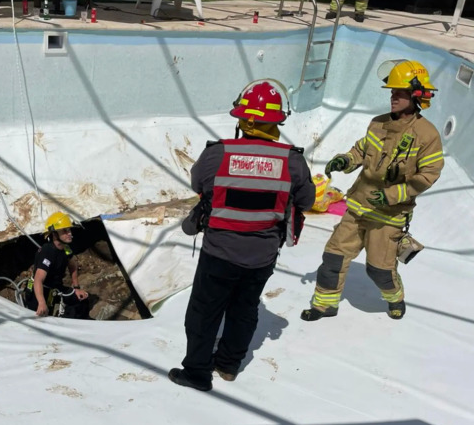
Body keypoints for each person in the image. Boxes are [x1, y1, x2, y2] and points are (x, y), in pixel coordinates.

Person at [168, 80, 316, 392]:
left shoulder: (217, 154)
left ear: (244, 120)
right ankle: (228, 365)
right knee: (245, 309)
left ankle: (197, 372)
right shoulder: (293, 161)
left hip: (218, 253)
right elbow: (306, 201)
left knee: (204, 312)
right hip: (262, 255)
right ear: (276, 122)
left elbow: (198, 185)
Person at [301, 59, 444, 322]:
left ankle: (395, 297)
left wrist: (390, 195)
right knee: (333, 258)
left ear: (416, 96)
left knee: (380, 270)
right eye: (392, 92)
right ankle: (324, 305)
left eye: (400, 93)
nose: (393, 97)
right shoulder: (378, 123)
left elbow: (428, 176)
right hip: (358, 206)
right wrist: (345, 160)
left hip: (389, 216)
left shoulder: (427, 135)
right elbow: (362, 149)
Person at [26, 212, 91, 319]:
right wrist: (41, 303)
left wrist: (76, 288)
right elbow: (38, 280)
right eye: (64, 231)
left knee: (81, 300)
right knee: (42, 318)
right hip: (39, 292)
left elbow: (73, 266)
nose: (69, 233)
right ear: (54, 234)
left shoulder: (66, 249)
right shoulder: (48, 251)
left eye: (69, 230)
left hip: (55, 288)